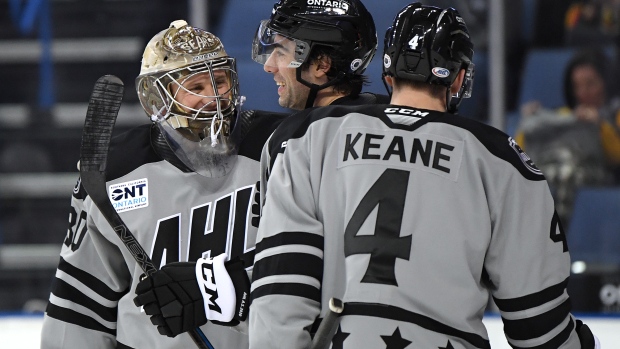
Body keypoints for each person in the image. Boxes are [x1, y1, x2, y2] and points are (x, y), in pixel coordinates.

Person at [249, 3, 600, 349]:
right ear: (460, 77)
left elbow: (282, 289)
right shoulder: (500, 159)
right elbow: (538, 327)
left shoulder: (304, 137)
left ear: (388, 76)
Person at [40, 20, 287, 348]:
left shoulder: (283, 146)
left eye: (220, 81)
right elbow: (79, 304)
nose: (213, 97)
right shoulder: (113, 173)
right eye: (196, 88)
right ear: (156, 99)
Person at [516, 48, 620, 224]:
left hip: (602, 175)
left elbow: (616, 156)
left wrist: (600, 126)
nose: (582, 92)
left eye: (590, 84)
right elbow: (519, 153)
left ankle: (556, 238)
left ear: (606, 83)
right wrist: (529, 124)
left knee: (567, 173)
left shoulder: (615, 115)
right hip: (556, 168)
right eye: (577, 86)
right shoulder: (563, 114)